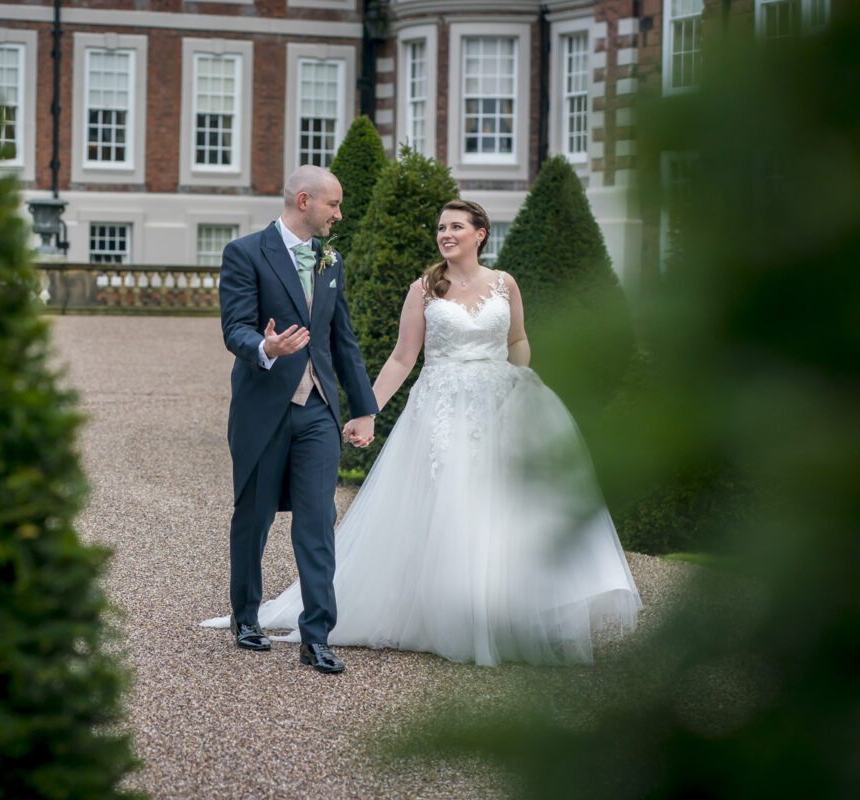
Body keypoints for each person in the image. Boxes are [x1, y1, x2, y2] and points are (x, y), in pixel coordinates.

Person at [210, 199, 641, 666]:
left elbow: (517, 340)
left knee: (512, 509)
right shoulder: (423, 289)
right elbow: (401, 357)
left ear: (481, 233)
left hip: (503, 406)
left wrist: (520, 390)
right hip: (441, 408)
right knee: (450, 507)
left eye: (457, 226)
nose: (446, 233)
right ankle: (445, 616)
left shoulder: (505, 283)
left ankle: (506, 613)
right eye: (441, 227)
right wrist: (368, 411)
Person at [203, 165, 379, 674]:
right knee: (254, 518)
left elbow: (341, 339)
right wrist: (266, 345)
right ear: (304, 201)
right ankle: (246, 617)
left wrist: (364, 408)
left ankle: (317, 634)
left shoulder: (331, 259)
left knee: (318, 522)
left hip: (318, 412)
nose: (339, 215)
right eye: (333, 205)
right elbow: (234, 327)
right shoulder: (244, 253)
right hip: (263, 409)